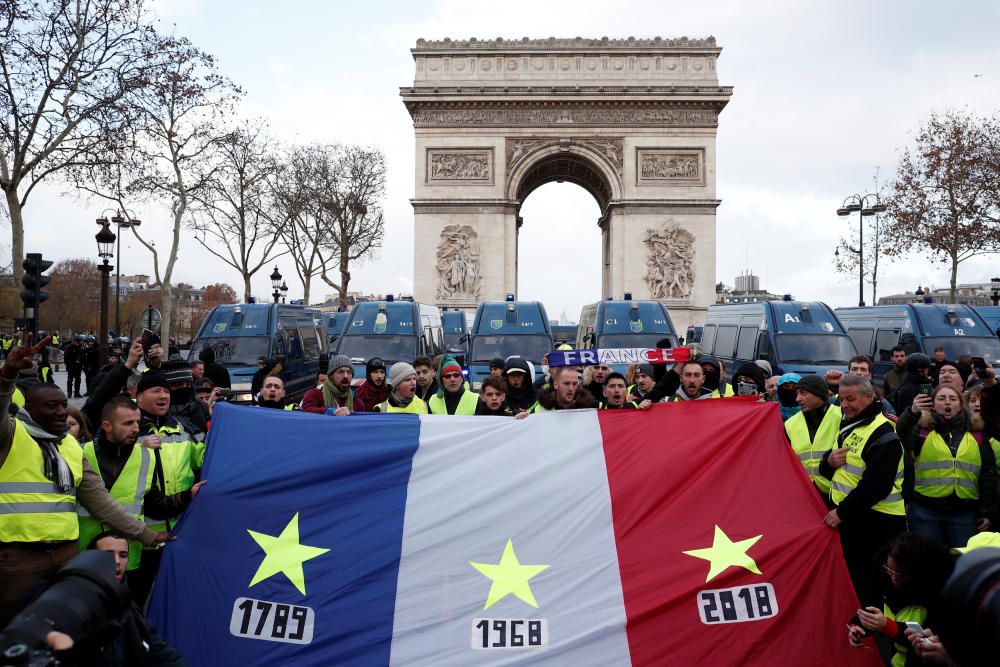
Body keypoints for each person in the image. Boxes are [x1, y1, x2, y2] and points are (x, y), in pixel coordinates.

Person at [0, 335, 170, 627]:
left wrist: (148, 535)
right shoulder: (10, 434)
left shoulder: (69, 446)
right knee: (16, 630)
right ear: (29, 409)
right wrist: (8, 375)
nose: (61, 413)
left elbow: (102, 503)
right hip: (18, 560)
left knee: (69, 627)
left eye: (64, 405)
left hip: (67, 553)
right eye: (51, 407)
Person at [77, 396, 205, 574]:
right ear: (107, 426)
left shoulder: (146, 456)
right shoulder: (80, 453)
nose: (136, 428)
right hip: (87, 556)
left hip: (128, 559)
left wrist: (186, 495)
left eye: (137, 422)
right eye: (128, 423)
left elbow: (153, 503)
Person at [820, 375, 906, 606]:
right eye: (841, 399)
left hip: (878, 522)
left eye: (850, 399)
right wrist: (827, 462)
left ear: (869, 398)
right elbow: (840, 467)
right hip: (856, 519)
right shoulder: (850, 422)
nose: (844, 405)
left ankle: (870, 633)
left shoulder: (884, 434)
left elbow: (877, 485)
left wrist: (842, 512)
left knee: (871, 585)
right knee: (854, 580)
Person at [130, 370, 205, 607]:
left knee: (178, 601)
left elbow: (206, 459)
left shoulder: (185, 428)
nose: (163, 395)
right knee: (136, 600)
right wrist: (140, 444)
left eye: (166, 391)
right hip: (141, 537)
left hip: (179, 533)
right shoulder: (128, 429)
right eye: (155, 391)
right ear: (138, 396)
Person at [897, 383, 996, 549]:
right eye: (941, 399)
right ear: (933, 404)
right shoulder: (922, 431)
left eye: (952, 398)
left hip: (964, 515)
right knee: (926, 562)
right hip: (925, 513)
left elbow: (988, 474)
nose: (947, 403)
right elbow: (902, 432)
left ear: (960, 404)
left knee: (960, 565)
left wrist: (987, 512)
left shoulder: (977, 434)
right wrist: (912, 412)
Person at [848, 532, 953, 667]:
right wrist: (857, 627)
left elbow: (928, 645)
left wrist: (887, 626)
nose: (893, 579)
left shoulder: (939, 599)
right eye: (889, 570)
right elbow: (873, 609)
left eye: (901, 573)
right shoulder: (887, 585)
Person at [88, 531, 188, 666]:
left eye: (123, 555)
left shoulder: (129, 606)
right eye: (108, 554)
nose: (117, 561)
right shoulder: (76, 605)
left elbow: (162, 653)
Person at [784, 374, 841, 498]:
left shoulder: (842, 416)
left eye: (803, 393)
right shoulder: (789, 424)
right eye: (797, 393)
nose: (797, 399)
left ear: (819, 394)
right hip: (803, 496)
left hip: (837, 496)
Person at [828, 355, 897, 417]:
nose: (858, 373)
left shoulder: (882, 404)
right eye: (854, 369)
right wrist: (831, 386)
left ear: (870, 375)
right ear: (849, 373)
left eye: (863, 369)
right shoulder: (834, 401)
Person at [531, 365, 598, 411]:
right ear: (556, 385)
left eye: (574, 384)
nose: (571, 388)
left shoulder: (590, 407)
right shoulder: (540, 408)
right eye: (566, 383)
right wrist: (525, 418)